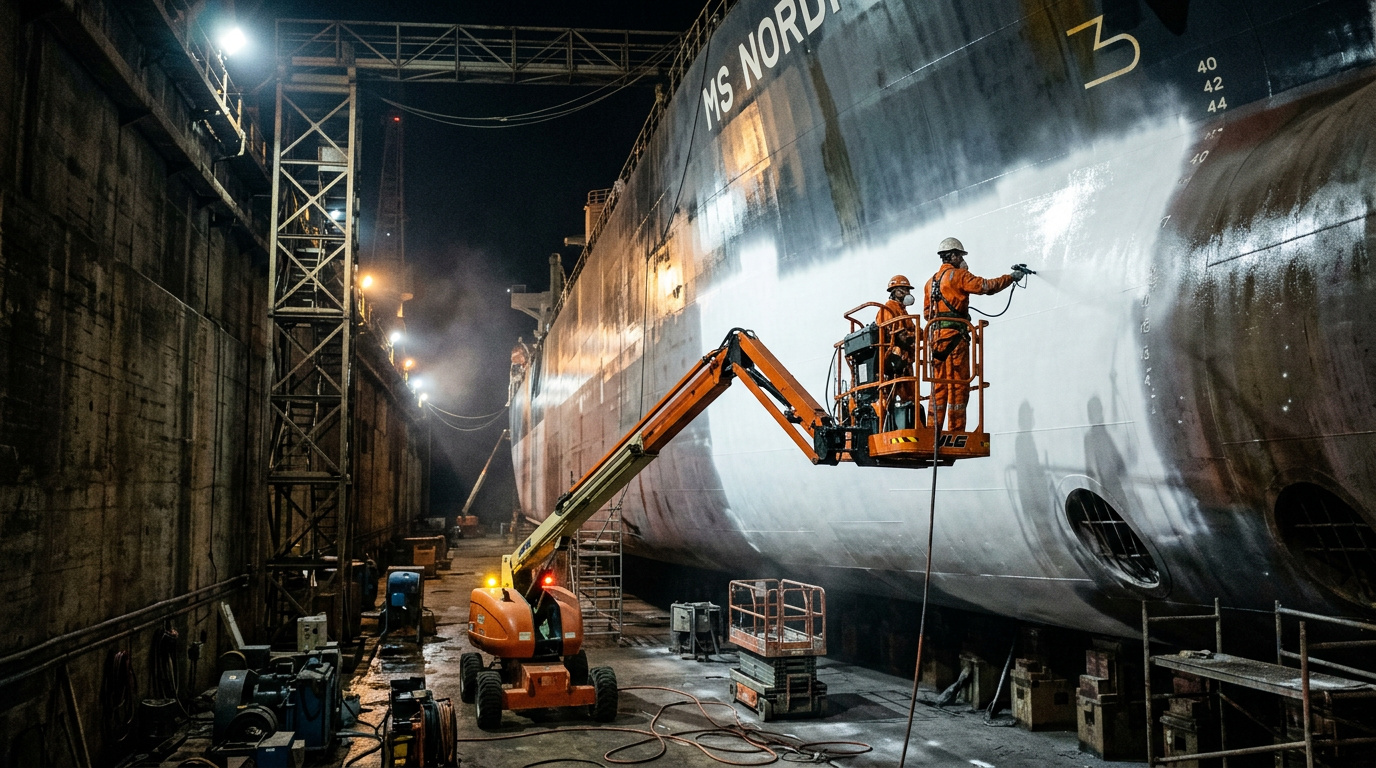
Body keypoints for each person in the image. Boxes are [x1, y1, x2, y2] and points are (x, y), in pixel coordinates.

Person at [923, 238, 1027, 432]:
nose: (962, 259)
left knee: (938, 389)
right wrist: (1012, 277)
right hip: (955, 341)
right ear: (953, 255)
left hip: (936, 344)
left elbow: (927, 313)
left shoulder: (930, 283)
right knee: (958, 387)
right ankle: (955, 433)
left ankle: (931, 432)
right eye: (960, 256)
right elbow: (986, 286)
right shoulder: (960, 276)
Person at [876, 275, 919, 429]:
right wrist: (914, 337)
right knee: (890, 397)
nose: (907, 292)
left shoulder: (903, 311)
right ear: (894, 291)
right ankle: (889, 427)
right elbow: (899, 336)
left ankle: (912, 425)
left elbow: (913, 330)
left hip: (904, 361)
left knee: (911, 396)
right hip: (893, 360)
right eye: (904, 289)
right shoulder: (887, 308)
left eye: (908, 289)